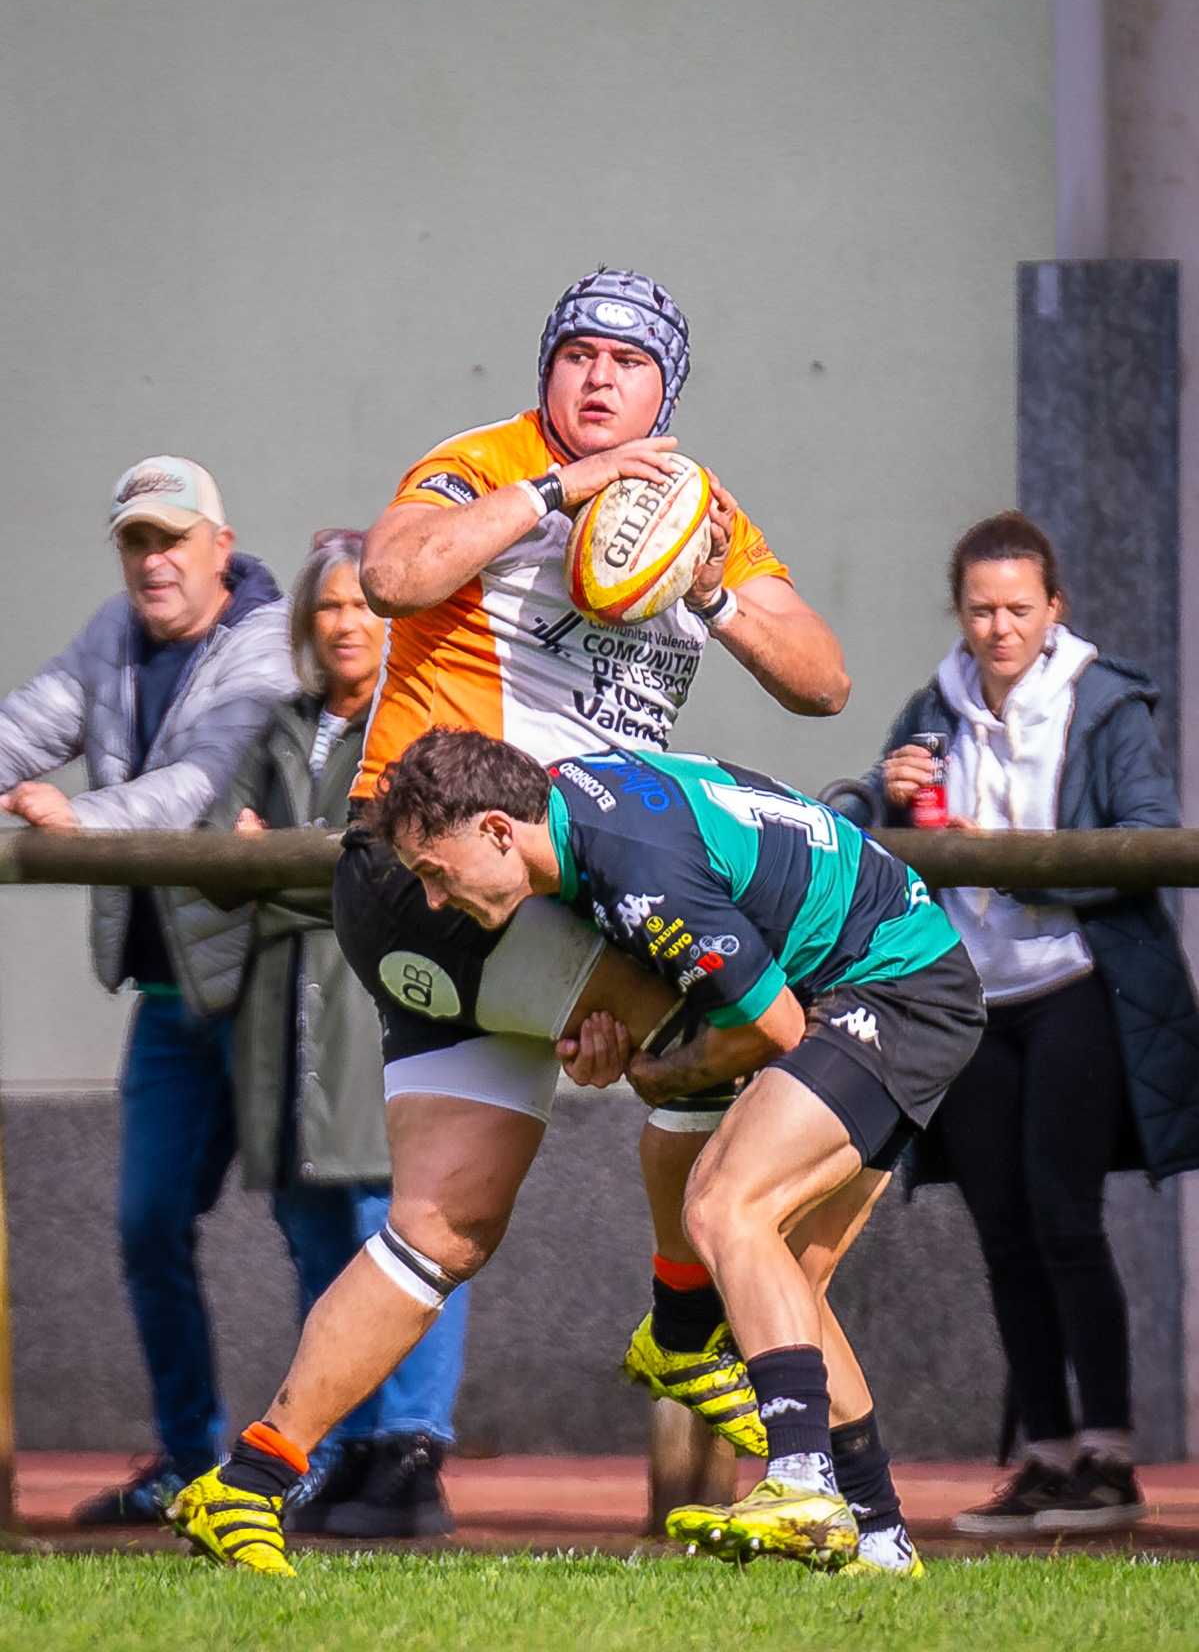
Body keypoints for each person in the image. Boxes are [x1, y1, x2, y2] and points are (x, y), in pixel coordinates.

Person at [169, 728, 983, 1574]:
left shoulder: (637, 874)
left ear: (494, 830)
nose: (436, 902)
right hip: (866, 978)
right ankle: (878, 1532)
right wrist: (643, 1057)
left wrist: (661, 1071)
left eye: (436, 874)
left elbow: (770, 1030)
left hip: (889, 985)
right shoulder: (567, 823)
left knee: (727, 1206)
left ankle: (794, 1470)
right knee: (779, 1275)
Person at [860, 511, 1199, 1535]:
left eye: (1016, 608)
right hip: (968, 1001)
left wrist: (1022, 855)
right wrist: (891, 789)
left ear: (1053, 610)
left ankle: (1107, 1454)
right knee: (1002, 1235)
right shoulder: (930, 707)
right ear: (957, 614)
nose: (997, 627)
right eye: (979, 610)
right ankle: (1044, 1457)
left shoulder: (1103, 704)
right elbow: (877, 840)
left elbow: (1145, 834)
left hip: (1072, 986)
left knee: (1062, 1223)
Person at [0, 456, 296, 1520]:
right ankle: (188, 1463)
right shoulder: (110, 637)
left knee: (324, 1220)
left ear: (221, 545)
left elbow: (205, 787)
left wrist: (80, 823)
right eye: (135, 540)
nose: (154, 560)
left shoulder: (265, 643)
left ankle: (326, 1465)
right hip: (173, 997)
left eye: (173, 538)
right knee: (145, 1222)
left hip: (275, 986)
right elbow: (24, 728)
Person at [204, 532, 469, 1538]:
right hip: (283, 1011)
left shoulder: (420, 726)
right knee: (311, 1228)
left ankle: (411, 1448)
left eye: (364, 604)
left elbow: (395, 870)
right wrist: (281, 871)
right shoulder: (279, 727)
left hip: (376, 1000)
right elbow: (219, 854)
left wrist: (277, 868)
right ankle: (345, 1442)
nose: (348, 623)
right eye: (329, 607)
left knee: (395, 1225)